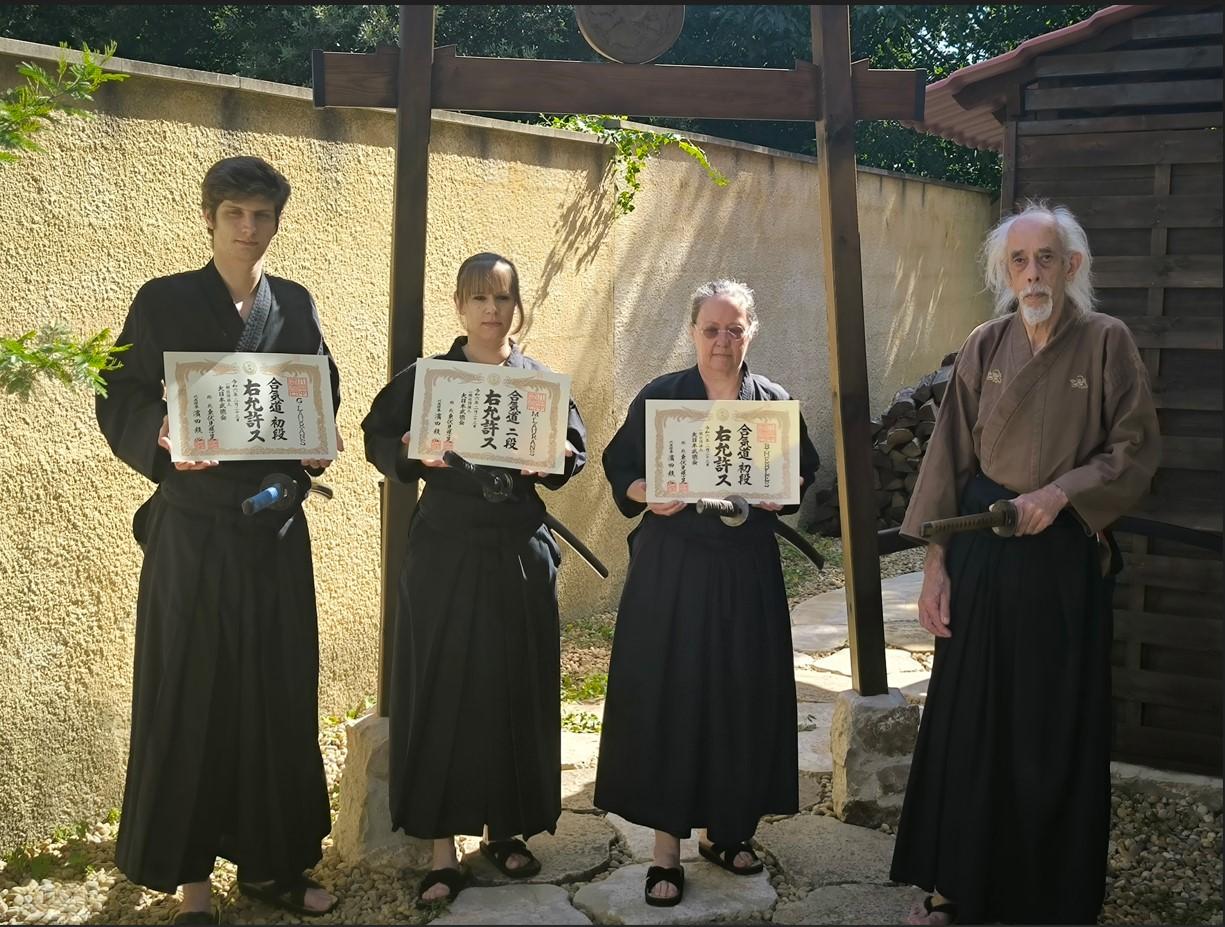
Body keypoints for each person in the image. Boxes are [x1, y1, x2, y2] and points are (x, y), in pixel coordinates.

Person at [889, 201, 1161, 926]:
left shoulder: (1106, 341)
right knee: (970, 722)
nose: (1031, 272)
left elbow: (1131, 449)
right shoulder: (984, 343)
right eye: (1018, 260)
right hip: (983, 550)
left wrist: (1061, 492)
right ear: (1002, 271)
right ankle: (955, 883)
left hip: (1061, 560)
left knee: (1050, 726)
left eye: (1045, 258)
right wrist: (936, 564)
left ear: (1072, 266)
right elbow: (947, 455)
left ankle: (1049, 895)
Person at [95, 156, 342, 924]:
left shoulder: (293, 305)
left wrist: (318, 441)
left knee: (276, 697)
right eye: (234, 213)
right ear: (209, 217)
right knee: (192, 697)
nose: (247, 228)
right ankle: (193, 883)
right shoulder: (163, 301)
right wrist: (160, 433)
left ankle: (275, 866)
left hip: (272, 530)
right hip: (194, 532)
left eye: (261, 215)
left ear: (275, 223)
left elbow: (319, 388)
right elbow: (119, 392)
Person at [361, 252, 588, 907]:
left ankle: (506, 829)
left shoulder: (538, 382)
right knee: (441, 684)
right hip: (445, 553)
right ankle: (440, 847)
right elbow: (378, 437)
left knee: (514, 684)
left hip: (518, 547)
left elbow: (573, 448)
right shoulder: (428, 379)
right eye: (478, 298)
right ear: (459, 304)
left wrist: (564, 460)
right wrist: (410, 446)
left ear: (517, 306)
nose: (491, 310)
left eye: (503, 298)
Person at [595, 279, 820, 907]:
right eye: (711, 329)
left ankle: (729, 831)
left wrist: (787, 489)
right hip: (674, 568)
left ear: (752, 332)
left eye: (734, 329)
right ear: (693, 332)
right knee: (676, 691)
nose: (722, 342)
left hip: (745, 567)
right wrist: (646, 493)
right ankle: (667, 848)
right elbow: (620, 467)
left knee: (740, 692)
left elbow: (804, 468)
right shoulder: (662, 398)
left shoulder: (772, 403)